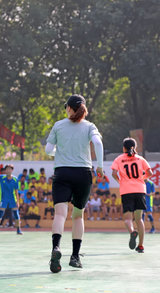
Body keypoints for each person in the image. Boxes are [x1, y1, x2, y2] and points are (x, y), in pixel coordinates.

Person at [45, 94, 104, 272]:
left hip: (62, 172)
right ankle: (75, 257)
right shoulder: (89, 126)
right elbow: (98, 143)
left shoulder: (58, 125)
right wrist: (100, 166)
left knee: (60, 214)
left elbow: (48, 150)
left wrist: (61, 153)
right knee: (78, 215)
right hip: (83, 173)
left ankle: (56, 248)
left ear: (69, 108)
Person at [112, 137, 153, 253]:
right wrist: (141, 179)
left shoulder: (119, 159)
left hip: (126, 191)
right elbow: (150, 173)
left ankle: (132, 232)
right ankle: (141, 246)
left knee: (127, 219)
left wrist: (120, 181)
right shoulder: (140, 159)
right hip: (140, 190)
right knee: (139, 219)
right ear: (134, 147)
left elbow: (114, 173)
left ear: (123, 148)